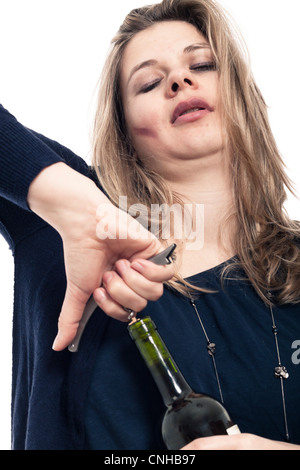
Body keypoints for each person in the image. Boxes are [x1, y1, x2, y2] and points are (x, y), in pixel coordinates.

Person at [0, 0, 300, 450]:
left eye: (201, 63)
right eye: (149, 83)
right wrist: (79, 209)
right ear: (124, 129)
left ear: (246, 96)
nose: (180, 80)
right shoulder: (69, 224)